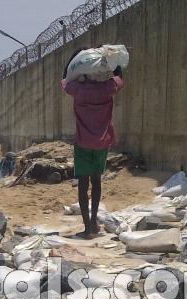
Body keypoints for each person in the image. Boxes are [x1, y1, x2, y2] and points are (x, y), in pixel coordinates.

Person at [62, 49, 124, 239]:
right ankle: (95, 222)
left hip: (83, 143)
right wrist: (111, 57)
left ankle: (88, 227)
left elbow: (64, 78)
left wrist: (74, 58)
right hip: (102, 143)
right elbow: (119, 74)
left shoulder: (77, 90)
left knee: (83, 184)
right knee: (96, 182)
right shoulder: (108, 88)